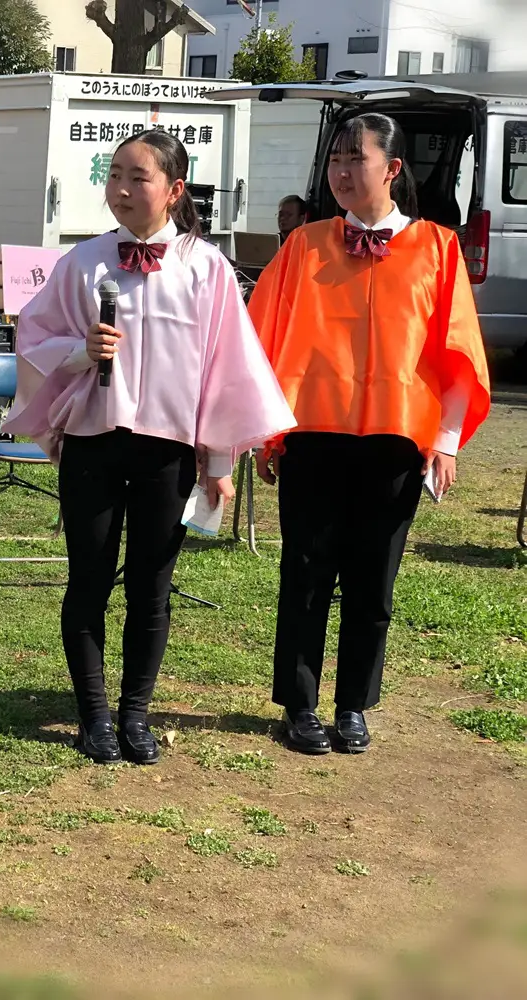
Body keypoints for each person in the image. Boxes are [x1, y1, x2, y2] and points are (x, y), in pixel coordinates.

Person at [2, 130, 296, 765]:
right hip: (94, 442)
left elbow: (226, 369)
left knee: (151, 587)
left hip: (168, 450)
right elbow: (34, 336)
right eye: (114, 175)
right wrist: (81, 351)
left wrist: (218, 460)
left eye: (138, 177)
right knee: (88, 580)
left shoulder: (205, 267)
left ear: (174, 189)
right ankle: (93, 716)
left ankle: (135, 714)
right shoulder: (83, 262)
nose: (122, 189)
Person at [249, 113, 492, 756]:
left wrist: (445, 440)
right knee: (305, 575)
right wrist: (266, 434)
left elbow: (458, 352)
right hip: (313, 437)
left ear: (392, 168)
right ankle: (300, 705)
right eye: (335, 159)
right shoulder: (303, 246)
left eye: (356, 158)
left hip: (395, 442)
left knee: (372, 580)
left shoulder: (437, 247)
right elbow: (262, 339)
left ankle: (354, 703)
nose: (342, 171)